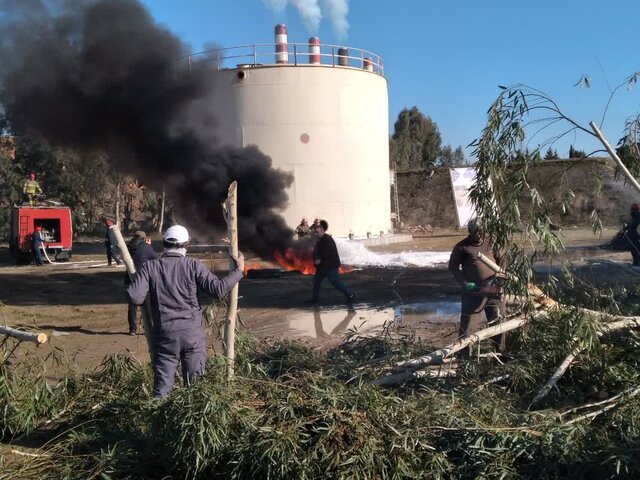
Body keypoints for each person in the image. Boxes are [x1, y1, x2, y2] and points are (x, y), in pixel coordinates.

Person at [127, 225, 245, 398]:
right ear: (187, 244)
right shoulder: (193, 265)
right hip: (192, 335)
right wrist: (239, 271)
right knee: (195, 389)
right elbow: (218, 289)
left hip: (165, 336)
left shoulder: (150, 268)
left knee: (162, 391)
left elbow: (136, 298)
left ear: (164, 244)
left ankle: (160, 423)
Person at [448, 218, 505, 357]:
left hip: (493, 290)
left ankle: (500, 353)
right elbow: (453, 267)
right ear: (470, 232)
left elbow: (503, 260)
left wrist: (501, 278)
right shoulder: (462, 247)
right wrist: (466, 284)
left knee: (498, 322)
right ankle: (464, 356)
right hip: (473, 292)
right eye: (475, 233)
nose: (478, 236)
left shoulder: (492, 242)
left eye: (480, 232)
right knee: (468, 326)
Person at [306, 219, 355, 308]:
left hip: (330, 267)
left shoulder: (327, 240)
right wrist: (316, 261)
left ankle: (350, 294)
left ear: (322, 231)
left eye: (317, 232)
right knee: (316, 282)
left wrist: (320, 259)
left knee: (337, 283)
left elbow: (327, 252)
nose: (315, 234)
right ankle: (315, 299)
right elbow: (317, 251)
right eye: (315, 232)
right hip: (321, 268)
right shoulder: (320, 240)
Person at [124, 231, 157, 335]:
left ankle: (132, 329)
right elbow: (155, 259)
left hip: (131, 277)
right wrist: (149, 246)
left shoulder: (128, 246)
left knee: (132, 305)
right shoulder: (146, 247)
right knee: (148, 305)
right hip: (143, 278)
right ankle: (148, 328)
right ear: (144, 237)